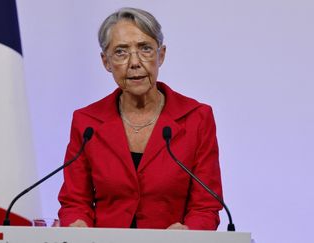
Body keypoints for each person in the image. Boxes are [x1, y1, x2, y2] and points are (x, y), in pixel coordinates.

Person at [58, 7, 223, 230]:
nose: (134, 62)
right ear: (106, 62)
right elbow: (75, 201)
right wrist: (77, 224)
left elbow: (206, 205)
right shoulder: (87, 121)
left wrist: (189, 232)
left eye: (145, 49)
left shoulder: (197, 118)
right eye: (121, 52)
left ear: (161, 55)